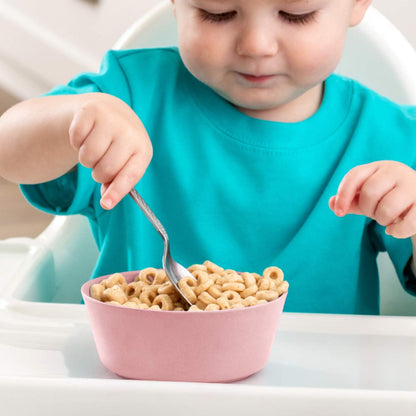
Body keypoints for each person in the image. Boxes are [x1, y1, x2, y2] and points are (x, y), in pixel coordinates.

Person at [0, 0, 415, 314]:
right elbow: (8, 148)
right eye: (217, 12)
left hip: (319, 390)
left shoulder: (387, 136)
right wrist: (75, 120)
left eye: (295, 13)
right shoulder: (132, 94)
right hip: (143, 380)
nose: (256, 45)